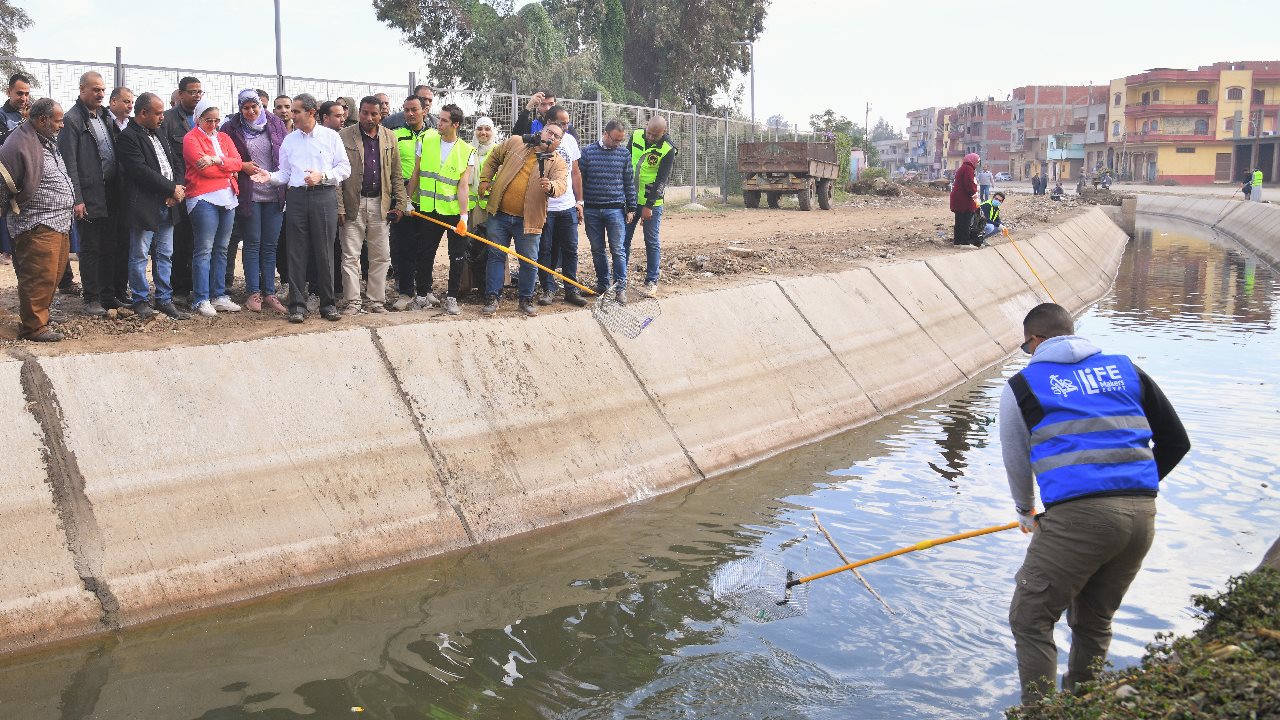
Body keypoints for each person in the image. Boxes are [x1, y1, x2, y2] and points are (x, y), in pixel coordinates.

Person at [1001, 303, 1189, 706]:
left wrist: (1024, 510)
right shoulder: (1126, 371)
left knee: (1030, 618)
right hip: (1141, 517)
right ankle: (1085, 708)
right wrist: (1134, 484)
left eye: (1027, 346)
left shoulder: (1024, 385)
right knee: (1094, 620)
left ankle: (1041, 715)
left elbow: (1016, 457)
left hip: (1078, 518)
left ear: (1036, 340)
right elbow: (1177, 441)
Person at [251, 93, 351, 324]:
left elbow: (345, 168)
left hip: (324, 196)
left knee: (325, 251)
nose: (291, 115)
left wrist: (323, 176)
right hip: (296, 198)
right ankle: (297, 306)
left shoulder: (330, 137)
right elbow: (285, 173)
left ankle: (328, 304)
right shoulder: (289, 140)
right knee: (296, 251)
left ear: (311, 113)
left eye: (296, 111)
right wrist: (270, 177)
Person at [0, 98, 74, 341]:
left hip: (58, 222)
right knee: (38, 276)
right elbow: (4, 182)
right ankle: (34, 327)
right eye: (58, 120)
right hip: (36, 222)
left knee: (52, 274)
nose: (62, 125)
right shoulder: (18, 143)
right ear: (43, 120)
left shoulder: (44, 139)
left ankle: (41, 316)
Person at [476, 122, 568, 317]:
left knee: (528, 261)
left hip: (529, 220)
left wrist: (550, 186)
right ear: (541, 131)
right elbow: (493, 157)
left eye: (556, 136)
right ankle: (492, 298)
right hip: (498, 215)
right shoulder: (516, 142)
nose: (551, 137)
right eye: (549, 131)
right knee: (496, 256)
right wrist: (485, 180)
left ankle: (525, 299)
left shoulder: (557, 162)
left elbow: (561, 184)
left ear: (560, 142)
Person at [59, 71, 129, 317]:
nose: (100, 94)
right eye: (95, 89)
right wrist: (77, 198)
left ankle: (109, 296)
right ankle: (91, 299)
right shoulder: (72, 120)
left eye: (102, 90)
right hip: (88, 196)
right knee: (91, 248)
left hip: (110, 193)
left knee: (111, 245)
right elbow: (69, 163)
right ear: (82, 90)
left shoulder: (104, 117)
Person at [116, 92, 189, 320]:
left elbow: (176, 162)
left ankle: (164, 299)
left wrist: (177, 188)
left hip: (168, 204)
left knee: (165, 254)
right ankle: (140, 299)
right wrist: (170, 189)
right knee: (139, 254)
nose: (162, 117)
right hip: (143, 206)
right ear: (143, 113)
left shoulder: (160, 133)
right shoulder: (128, 137)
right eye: (157, 113)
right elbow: (140, 171)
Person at [336, 96, 407, 314]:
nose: (369, 117)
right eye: (365, 113)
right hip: (352, 204)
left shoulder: (390, 137)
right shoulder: (344, 136)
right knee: (350, 255)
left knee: (381, 255)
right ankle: (353, 302)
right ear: (360, 112)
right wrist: (339, 207)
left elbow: (396, 173)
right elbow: (337, 175)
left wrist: (401, 203)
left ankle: (376, 301)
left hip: (380, 204)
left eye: (373, 114)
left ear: (380, 115)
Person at [222, 89, 289, 314]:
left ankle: (269, 292)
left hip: (274, 192)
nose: (250, 112)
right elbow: (225, 158)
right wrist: (242, 166)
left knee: (270, 245)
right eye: (245, 108)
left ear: (261, 105)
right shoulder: (230, 128)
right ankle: (253, 293)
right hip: (248, 194)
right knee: (252, 244)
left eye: (254, 107)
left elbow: (285, 154)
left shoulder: (275, 123)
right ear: (240, 108)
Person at [183, 98, 250, 317]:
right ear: (198, 119)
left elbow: (238, 163)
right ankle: (201, 298)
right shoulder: (190, 138)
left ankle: (219, 294)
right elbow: (205, 172)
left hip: (228, 198)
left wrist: (214, 160)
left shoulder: (224, 137)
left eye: (216, 121)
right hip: (203, 198)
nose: (213, 125)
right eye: (208, 120)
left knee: (222, 249)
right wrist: (225, 166)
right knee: (204, 249)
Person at [408, 102, 472, 316]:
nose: (439, 123)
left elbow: (463, 186)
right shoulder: (426, 140)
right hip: (428, 208)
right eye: (439, 118)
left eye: (444, 120)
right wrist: (408, 199)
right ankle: (423, 295)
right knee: (424, 253)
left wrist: (464, 216)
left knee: (457, 256)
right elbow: (416, 173)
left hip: (453, 213)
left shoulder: (467, 151)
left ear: (456, 124)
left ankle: (451, 297)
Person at [578, 119, 636, 306]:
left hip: (615, 209)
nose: (617, 143)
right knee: (597, 249)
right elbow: (580, 180)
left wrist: (632, 207)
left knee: (618, 249)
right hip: (592, 209)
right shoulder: (587, 153)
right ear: (605, 134)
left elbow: (629, 182)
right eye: (615, 139)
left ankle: (620, 288)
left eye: (620, 140)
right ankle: (603, 284)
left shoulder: (624, 154)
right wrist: (580, 205)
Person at [388, 95, 435, 311]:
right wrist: (401, 198)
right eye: (406, 110)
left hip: (427, 198)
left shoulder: (435, 136)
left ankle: (426, 290)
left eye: (414, 109)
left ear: (424, 110)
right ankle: (405, 292)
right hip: (402, 196)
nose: (410, 114)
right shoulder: (395, 135)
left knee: (426, 248)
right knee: (404, 247)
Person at [535, 105, 583, 306]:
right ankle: (548, 288)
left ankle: (571, 289)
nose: (566, 127)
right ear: (549, 123)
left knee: (571, 249)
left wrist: (579, 202)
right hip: (546, 208)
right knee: (545, 250)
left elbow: (575, 173)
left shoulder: (570, 141)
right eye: (561, 123)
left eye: (567, 123)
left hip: (567, 207)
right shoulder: (537, 141)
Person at [625, 115, 677, 298]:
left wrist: (649, 206)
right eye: (649, 133)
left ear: (664, 132)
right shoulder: (637, 135)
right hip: (630, 199)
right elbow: (625, 161)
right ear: (646, 127)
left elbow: (661, 181)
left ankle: (651, 280)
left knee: (651, 241)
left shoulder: (668, 149)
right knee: (623, 240)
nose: (650, 137)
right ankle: (620, 280)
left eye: (655, 135)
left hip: (651, 203)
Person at [162, 76, 203, 299]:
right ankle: (178, 289)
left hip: (203, 191)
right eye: (192, 92)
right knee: (180, 240)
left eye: (200, 92)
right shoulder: (168, 120)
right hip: (180, 190)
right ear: (180, 94)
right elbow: (167, 157)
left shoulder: (204, 118)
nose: (196, 96)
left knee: (200, 242)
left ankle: (199, 287)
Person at [465, 116, 498, 294]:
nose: (483, 133)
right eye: (479, 129)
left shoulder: (498, 151)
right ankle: (469, 284)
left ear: (492, 132)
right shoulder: (469, 150)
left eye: (487, 129)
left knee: (491, 246)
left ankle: (491, 287)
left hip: (490, 208)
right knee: (470, 245)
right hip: (471, 208)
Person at [950, 153, 980, 246]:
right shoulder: (968, 169)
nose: (978, 164)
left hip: (958, 200)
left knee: (959, 221)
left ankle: (958, 242)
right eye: (977, 162)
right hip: (964, 201)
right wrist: (975, 197)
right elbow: (969, 185)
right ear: (973, 161)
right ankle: (964, 243)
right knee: (965, 222)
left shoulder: (963, 168)